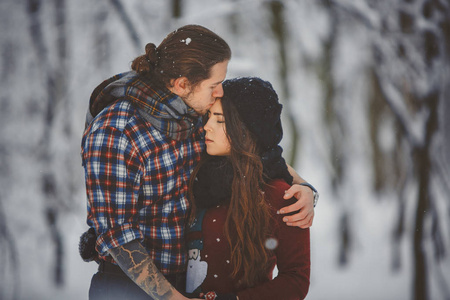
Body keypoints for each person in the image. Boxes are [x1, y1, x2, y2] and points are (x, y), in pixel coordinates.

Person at [81, 24, 315, 300]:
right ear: (182, 84)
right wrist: (173, 298)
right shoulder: (116, 131)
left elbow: (252, 154)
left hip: (187, 282)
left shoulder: (192, 115)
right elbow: (119, 237)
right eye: (214, 85)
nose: (219, 93)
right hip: (126, 287)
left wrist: (304, 187)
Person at [185, 77, 311, 300]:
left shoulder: (281, 196)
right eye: (208, 117)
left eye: (220, 120)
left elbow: (295, 280)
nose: (206, 126)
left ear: (246, 130)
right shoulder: (193, 173)